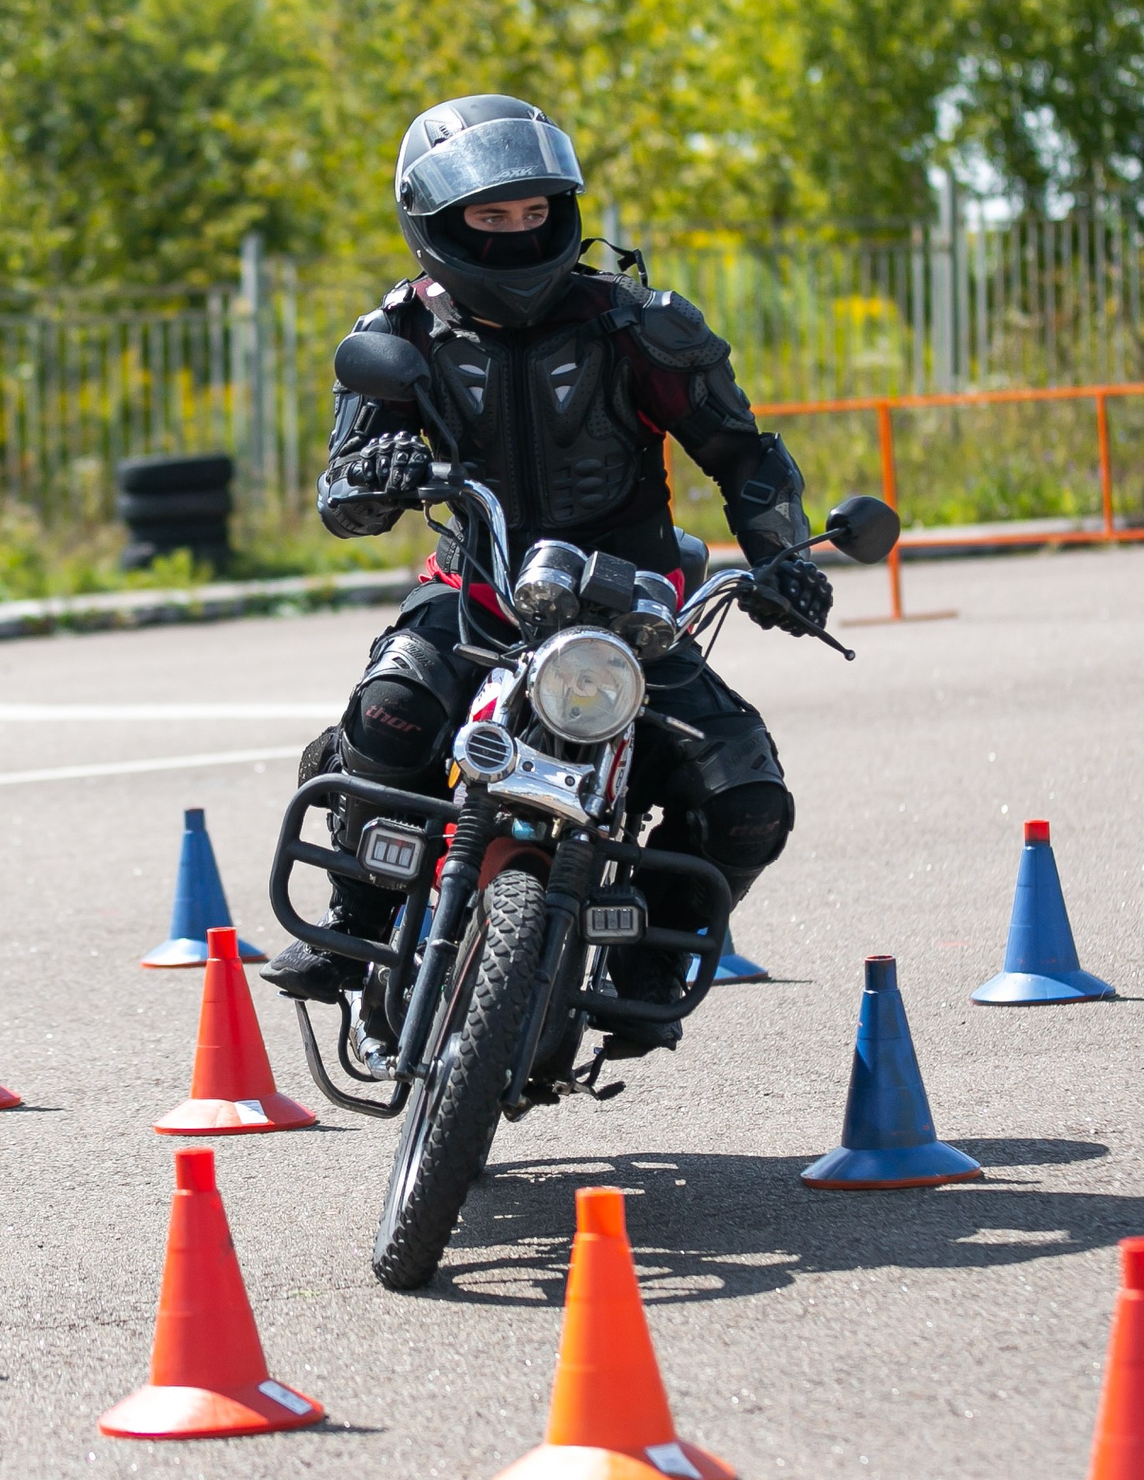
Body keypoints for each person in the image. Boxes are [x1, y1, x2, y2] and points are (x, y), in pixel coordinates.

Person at [263, 95, 832, 1057]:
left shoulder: (640, 326)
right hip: (475, 594)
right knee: (389, 711)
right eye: (490, 215)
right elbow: (341, 496)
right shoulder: (400, 330)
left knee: (747, 796)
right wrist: (376, 473)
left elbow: (745, 455)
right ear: (436, 223)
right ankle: (354, 918)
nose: (518, 231)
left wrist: (784, 558)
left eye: (534, 211)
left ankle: (652, 960)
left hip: (631, 616)